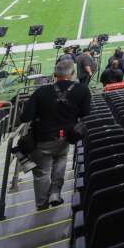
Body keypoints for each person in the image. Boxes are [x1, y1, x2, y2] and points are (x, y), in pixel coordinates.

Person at [21, 59, 91, 210]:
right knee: (60, 161)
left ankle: (42, 203)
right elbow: (85, 112)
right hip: (66, 136)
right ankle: (55, 193)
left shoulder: (41, 92)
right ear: (72, 74)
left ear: (54, 74)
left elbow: (25, 117)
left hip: (42, 138)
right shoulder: (82, 89)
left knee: (42, 171)